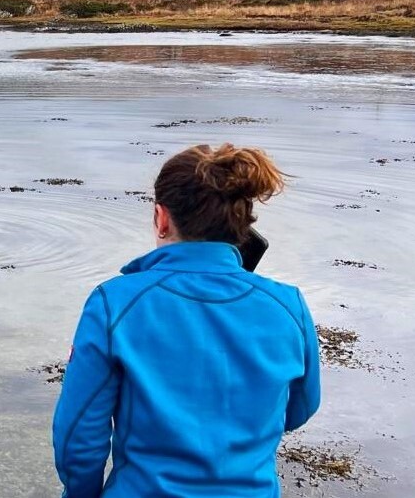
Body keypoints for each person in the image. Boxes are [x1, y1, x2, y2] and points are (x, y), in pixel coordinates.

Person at [53, 143, 320, 498]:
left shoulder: (113, 303)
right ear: (240, 222)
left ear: (161, 218)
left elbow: (78, 437)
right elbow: (300, 409)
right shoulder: (290, 305)